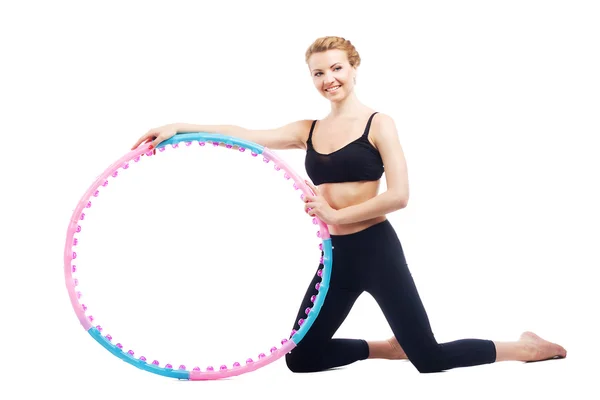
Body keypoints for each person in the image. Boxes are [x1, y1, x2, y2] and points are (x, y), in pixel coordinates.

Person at [131, 36, 567, 373]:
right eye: (318, 73)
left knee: (430, 358)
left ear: (354, 68)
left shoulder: (380, 124)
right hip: (335, 257)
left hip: (376, 250)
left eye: (336, 68)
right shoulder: (310, 128)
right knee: (300, 359)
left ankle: (525, 347)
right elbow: (244, 132)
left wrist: (336, 215)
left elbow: (399, 195)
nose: (328, 79)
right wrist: (179, 126)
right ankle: (386, 349)